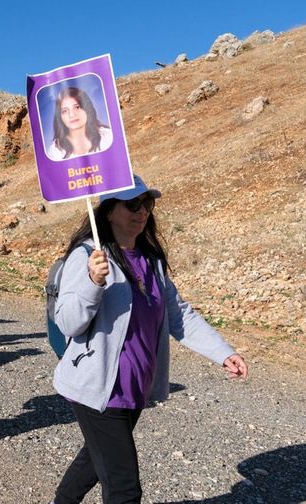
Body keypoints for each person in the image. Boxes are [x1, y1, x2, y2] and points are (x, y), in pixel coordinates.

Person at [50, 175, 248, 504]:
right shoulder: (87, 258)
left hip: (134, 387)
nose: (141, 211)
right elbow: (69, 322)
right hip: (96, 388)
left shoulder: (151, 261)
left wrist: (223, 353)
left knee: (94, 463)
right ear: (109, 211)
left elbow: (179, 314)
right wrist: (90, 281)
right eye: (132, 204)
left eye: (147, 204)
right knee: (125, 488)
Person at [46, 87, 114, 160]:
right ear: (60, 117)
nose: (72, 115)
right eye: (65, 111)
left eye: (77, 107)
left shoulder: (108, 137)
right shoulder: (55, 151)